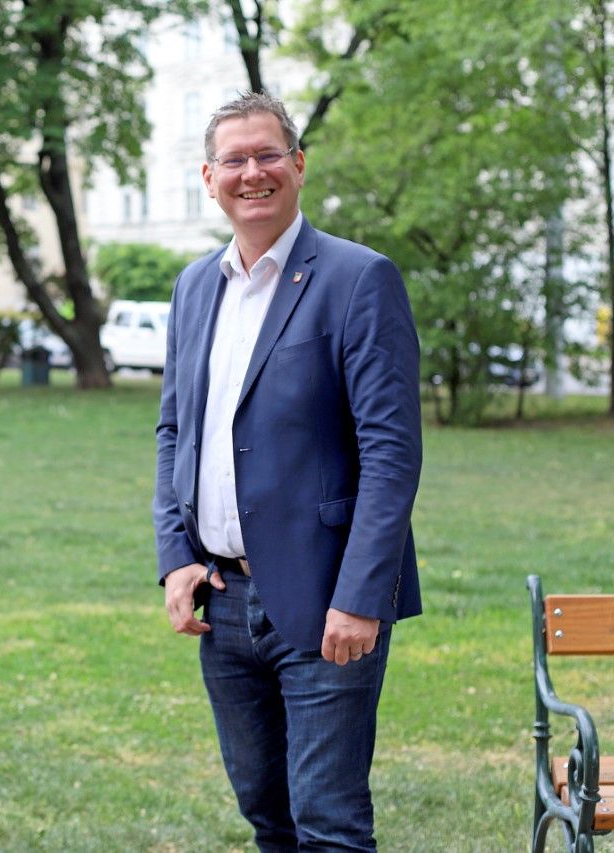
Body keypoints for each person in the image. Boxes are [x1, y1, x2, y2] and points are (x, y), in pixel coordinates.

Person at [153, 92, 422, 851]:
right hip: (223, 599)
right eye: (233, 160)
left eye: (268, 154)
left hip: (327, 598)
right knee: (267, 813)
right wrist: (175, 557)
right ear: (209, 178)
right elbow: (175, 429)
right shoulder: (194, 286)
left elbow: (392, 452)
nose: (252, 173)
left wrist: (363, 596)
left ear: (298, 165)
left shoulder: (358, 279)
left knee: (328, 824)